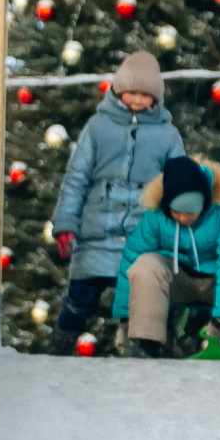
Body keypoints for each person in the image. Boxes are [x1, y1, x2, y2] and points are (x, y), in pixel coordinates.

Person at [50, 50, 182, 351]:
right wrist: (66, 223)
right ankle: (60, 345)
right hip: (96, 232)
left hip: (141, 236)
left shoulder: (167, 135)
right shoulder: (98, 127)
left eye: (145, 95)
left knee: (144, 299)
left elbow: (177, 184)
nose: (137, 100)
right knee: (80, 296)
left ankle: (147, 352)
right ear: (118, 90)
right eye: (131, 92)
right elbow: (77, 177)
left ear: (156, 98)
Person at [115, 155, 220, 358]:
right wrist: (125, 314)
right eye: (178, 212)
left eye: (192, 211)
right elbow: (131, 259)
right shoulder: (155, 218)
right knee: (145, 264)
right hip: (178, 280)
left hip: (217, 281)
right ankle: (147, 345)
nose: (185, 218)